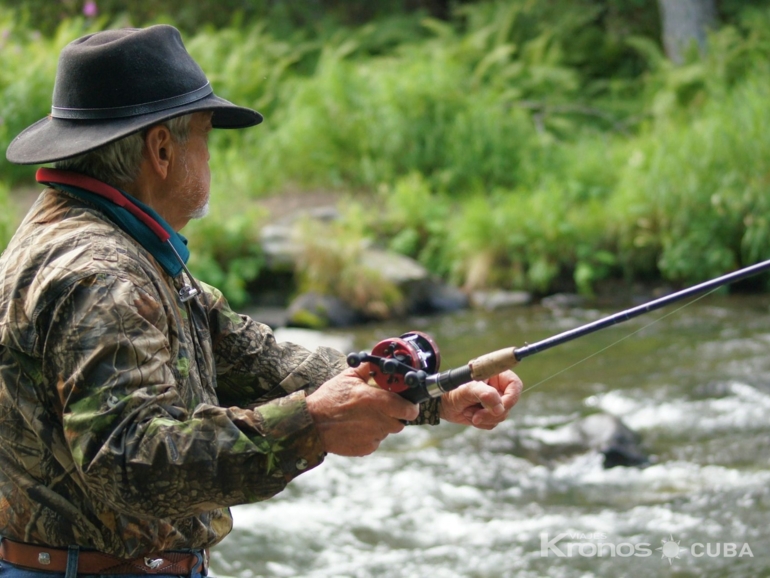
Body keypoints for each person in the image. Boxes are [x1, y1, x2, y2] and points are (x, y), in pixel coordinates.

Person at [0, 25, 522, 578]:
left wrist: (428, 392)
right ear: (160, 149)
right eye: (204, 136)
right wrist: (313, 424)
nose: (208, 157)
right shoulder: (103, 274)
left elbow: (255, 360)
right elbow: (132, 463)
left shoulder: (96, 238)